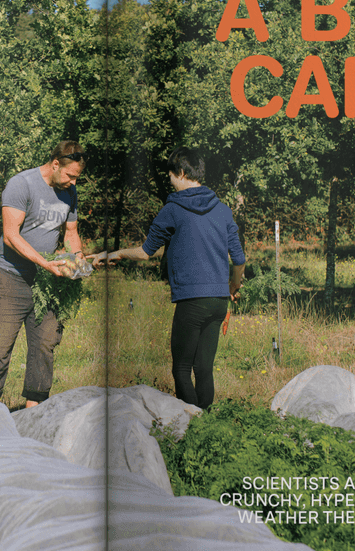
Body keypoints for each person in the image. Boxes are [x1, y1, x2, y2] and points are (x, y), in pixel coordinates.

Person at [95, 149, 244, 411]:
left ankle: (189, 427)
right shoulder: (223, 210)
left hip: (191, 300)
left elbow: (144, 252)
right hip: (219, 300)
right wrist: (233, 285)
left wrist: (116, 252)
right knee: (204, 368)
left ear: (182, 174)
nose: (169, 179)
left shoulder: (173, 209)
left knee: (182, 368)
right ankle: (205, 425)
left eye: (171, 174)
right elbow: (239, 259)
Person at [0, 141, 89, 408]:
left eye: (77, 177)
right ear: (54, 164)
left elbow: (71, 233)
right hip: (10, 278)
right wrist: (45, 263)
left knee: (44, 346)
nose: (73, 183)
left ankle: (34, 416)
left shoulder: (69, 192)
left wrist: (78, 261)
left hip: (46, 283)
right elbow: (10, 235)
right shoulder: (21, 184)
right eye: (70, 175)